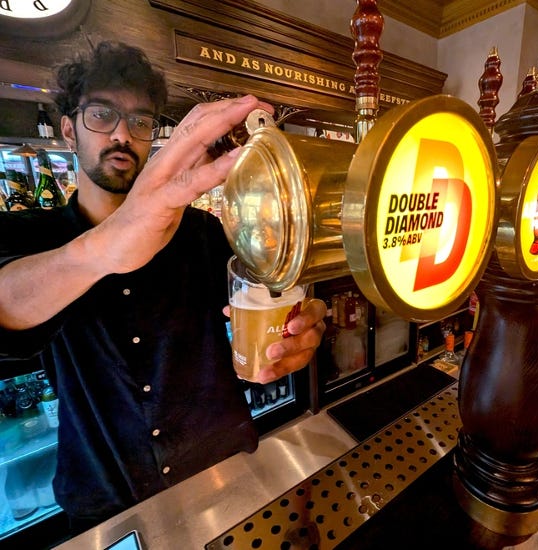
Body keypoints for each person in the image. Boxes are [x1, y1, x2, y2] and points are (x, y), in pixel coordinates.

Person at [0, 42, 326, 532]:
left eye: (139, 121)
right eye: (101, 115)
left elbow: (261, 312)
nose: (121, 135)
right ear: (67, 129)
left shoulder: (204, 233)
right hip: (106, 501)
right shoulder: (33, 236)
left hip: (223, 474)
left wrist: (291, 338)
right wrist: (105, 246)